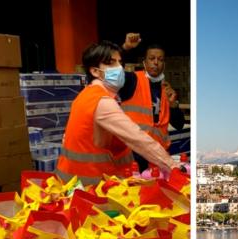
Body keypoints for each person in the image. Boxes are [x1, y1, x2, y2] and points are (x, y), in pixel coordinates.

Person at [55, 40, 182, 184]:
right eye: (111, 63)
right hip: (90, 186)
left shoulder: (86, 94)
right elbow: (137, 138)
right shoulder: (102, 101)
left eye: (119, 63)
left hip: (75, 183)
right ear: (95, 71)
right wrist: (174, 167)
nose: (119, 68)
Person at [119, 33, 186, 171]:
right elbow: (114, 71)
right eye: (152, 58)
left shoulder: (165, 89)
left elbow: (179, 125)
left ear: (164, 64)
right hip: (133, 157)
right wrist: (125, 48)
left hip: (157, 158)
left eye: (160, 59)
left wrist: (173, 105)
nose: (156, 62)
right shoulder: (133, 81)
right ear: (145, 62)